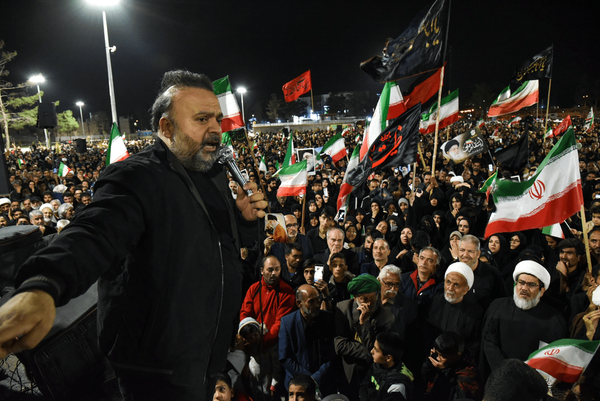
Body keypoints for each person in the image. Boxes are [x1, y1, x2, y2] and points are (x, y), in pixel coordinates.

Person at [0, 70, 268, 401]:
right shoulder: (136, 177)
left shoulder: (211, 173)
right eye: (202, 119)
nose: (215, 128)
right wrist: (45, 283)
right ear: (166, 128)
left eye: (217, 118)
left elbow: (215, 246)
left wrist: (242, 221)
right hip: (156, 370)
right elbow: (94, 231)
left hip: (204, 359)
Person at [482, 260, 566, 375]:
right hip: (500, 376)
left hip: (533, 379)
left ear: (542, 291)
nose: (524, 288)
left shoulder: (553, 319)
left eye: (531, 285)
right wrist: (505, 372)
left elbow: (552, 357)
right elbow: (489, 342)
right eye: (521, 283)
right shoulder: (498, 307)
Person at [334, 274, 395, 401]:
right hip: (349, 371)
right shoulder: (343, 309)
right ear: (355, 297)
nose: (369, 302)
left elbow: (379, 349)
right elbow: (340, 346)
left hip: (372, 372)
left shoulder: (385, 315)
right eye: (364, 299)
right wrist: (368, 352)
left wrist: (364, 323)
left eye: (373, 297)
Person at [278, 285, 337, 396]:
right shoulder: (288, 323)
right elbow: (284, 357)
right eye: (311, 301)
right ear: (299, 303)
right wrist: (308, 379)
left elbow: (332, 353)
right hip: (297, 383)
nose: (317, 304)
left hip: (324, 381)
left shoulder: (328, 319)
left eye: (318, 299)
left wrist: (317, 377)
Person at [420, 332, 482, 401]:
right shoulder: (438, 360)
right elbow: (422, 381)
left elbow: (458, 397)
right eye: (437, 354)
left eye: (443, 356)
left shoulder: (468, 373)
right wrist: (428, 363)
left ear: (457, 356)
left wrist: (445, 371)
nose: (438, 358)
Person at [359, 332, 414, 401]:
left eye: (376, 350)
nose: (371, 351)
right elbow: (364, 386)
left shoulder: (397, 386)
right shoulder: (377, 365)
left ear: (388, 358)